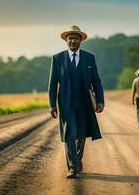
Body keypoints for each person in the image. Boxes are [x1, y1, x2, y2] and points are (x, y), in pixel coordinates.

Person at [48, 25, 105, 179]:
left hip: (85, 103)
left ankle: (77, 160)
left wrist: (100, 101)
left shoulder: (89, 58)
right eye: (70, 38)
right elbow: (53, 83)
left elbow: (96, 81)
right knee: (69, 134)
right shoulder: (57, 58)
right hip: (66, 105)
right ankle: (73, 167)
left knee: (81, 134)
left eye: (76, 38)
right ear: (66, 41)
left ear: (81, 40)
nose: (73, 41)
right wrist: (52, 104)